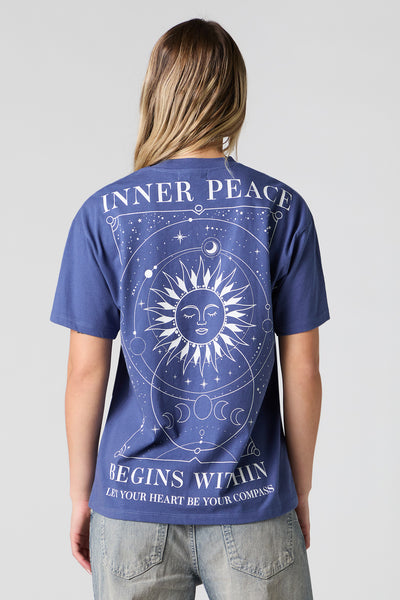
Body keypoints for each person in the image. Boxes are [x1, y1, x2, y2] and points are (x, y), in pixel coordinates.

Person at [50, 18, 330, 600]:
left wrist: (82, 495)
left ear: (157, 91)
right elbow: (303, 371)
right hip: (254, 500)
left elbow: (84, 374)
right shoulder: (282, 209)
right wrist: (299, 491)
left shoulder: (104, 213)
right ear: (235, 95)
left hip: (132, 503)